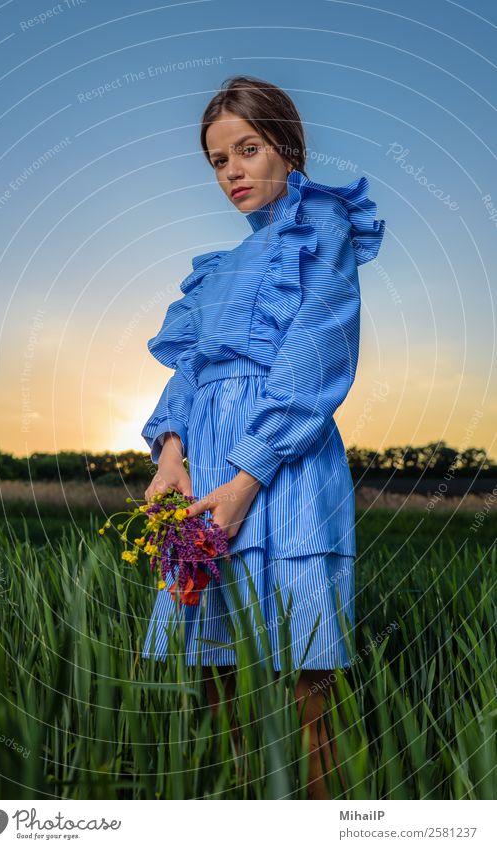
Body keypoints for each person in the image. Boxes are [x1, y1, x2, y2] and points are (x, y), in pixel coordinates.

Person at [140, 75, 386, 799]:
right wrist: (171, 458)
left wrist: (246, 479)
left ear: (287, 144)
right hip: (207, 469)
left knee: (306, 676)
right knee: (218, 672)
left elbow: (318, 358)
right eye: (219, 160)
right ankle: (245, 810)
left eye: (248, 149)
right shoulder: (212, 274)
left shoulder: (325, 228)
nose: (233, 172)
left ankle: (320, 820)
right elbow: (187, 373)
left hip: (283, 465)